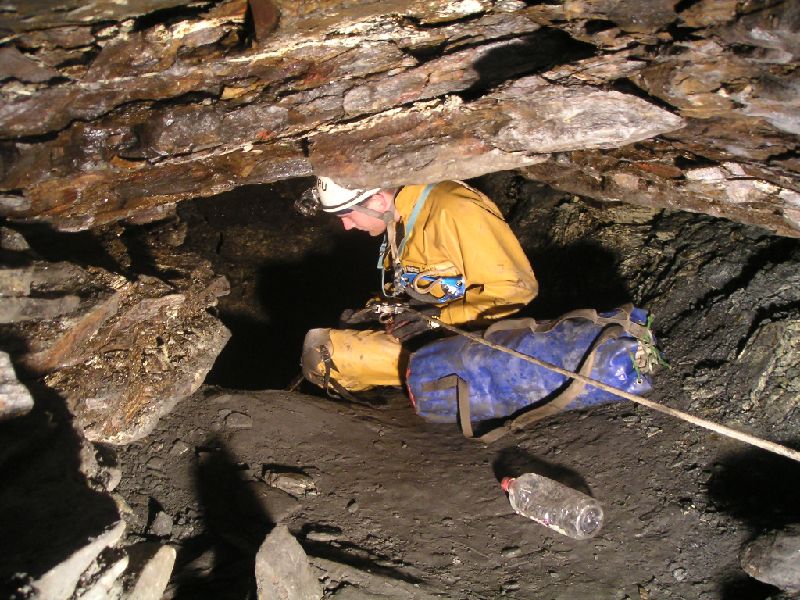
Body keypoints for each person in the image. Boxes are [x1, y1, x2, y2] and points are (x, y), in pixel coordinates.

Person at [300, 177, 538, 394]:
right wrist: (378, 310)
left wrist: (439, 319)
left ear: (378, 200)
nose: (347, 227)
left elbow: (516, 289)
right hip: (436, 334)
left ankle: (447, 387)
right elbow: (418, 283)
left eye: (348, 216)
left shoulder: (453, 209)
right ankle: (425, 386)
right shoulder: (400, 216)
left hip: (479, 341)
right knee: (324, 351)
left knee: (324, 357)